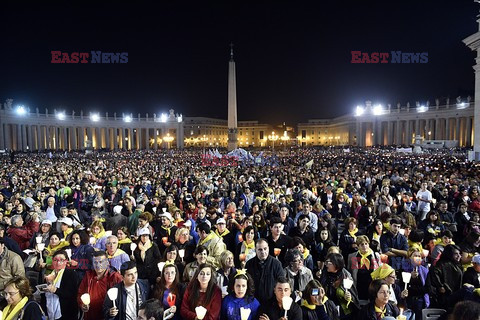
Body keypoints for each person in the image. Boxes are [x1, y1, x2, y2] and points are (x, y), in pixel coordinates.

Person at [77, 250, 123, 320]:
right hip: (90, 315)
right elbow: (80, 292)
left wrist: (112, 311)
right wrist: (82, 304)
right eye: (95, 262)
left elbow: (122, 297)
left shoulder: (115, 277)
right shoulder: (88, 276)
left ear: (107, 263)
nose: (98, 265)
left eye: (101, 262)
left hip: (107, 316)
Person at [320, 253, 360, 319]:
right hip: (329, 310)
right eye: (326, 262)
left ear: (336, 264)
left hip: (344, 312)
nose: (326, 265)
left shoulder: (346, 275)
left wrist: (350, 297)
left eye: (328, 262)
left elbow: (354, 296)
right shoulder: (324, 274)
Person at [245, 238, 286, 305]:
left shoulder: (276, 264)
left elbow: (281, 283)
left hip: (272, 303)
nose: (263, 252)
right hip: (253, 302)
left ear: (268, 248)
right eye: (260, 249)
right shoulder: (249, 264)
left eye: (265, 249)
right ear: (255, 250)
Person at [43, 250, 78, 320]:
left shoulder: (71, 274)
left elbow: (71, 294)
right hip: (49, 310)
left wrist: (55, 290)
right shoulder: (49, 275)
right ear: (52, 261)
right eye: (55, 260)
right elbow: (44, 295)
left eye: (61, 260)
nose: (58, 263)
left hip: (65, 312)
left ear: (66, 261)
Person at [347, 235, 381, 301]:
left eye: (366, 244)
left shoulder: (376, 256)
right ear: (358, 246)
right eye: (362, 244)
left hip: (371, 285)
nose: (364, 246)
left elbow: (379, 271)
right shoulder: (352, 256)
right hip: (358, 285)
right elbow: (349, 272)